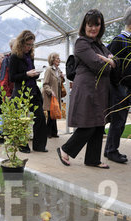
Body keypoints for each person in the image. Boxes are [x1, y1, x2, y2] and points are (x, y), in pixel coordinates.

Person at [57, 9, 116, 168]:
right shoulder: (81, 43)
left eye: (96, 25)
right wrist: (109, 63)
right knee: (88, 125)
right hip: (87, 90)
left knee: (98, 124)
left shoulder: (100, 45)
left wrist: (110, 61)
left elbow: (113, 60)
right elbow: (98, 66)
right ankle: (65, 149)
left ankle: (92, 159)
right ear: (85, 25)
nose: (93, 28)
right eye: (90, 24)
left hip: (99, 91)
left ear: (100, 26)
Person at [9, 30, 48, 153]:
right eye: (27, 44)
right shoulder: (14, 57)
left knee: (40, 118)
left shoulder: (30, 56)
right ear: (21, 43)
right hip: (21, 93)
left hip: (33, 92)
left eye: (31, 44)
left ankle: (39, 145)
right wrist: (26, 74)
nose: (29, 47)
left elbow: (31, 74)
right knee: (22, 120)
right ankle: (22, 146)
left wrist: (35, 73)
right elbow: (12, 77)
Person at [104, 7, 131, 163]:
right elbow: (109, 62)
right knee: (118, 120)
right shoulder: (120, 40)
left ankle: (110, 149)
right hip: (119, 88)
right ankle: (111, 150)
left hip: (126, 87)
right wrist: (117, 84)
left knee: (120, 121)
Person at [42, 52, 64, 138]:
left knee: (54, 113)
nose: (59, 60)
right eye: (57, 58)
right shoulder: (49, 69)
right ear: (52, 60)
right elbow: (45, 84)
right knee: (51, 114)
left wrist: (62, 77)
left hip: (56, 96)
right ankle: (48, 133)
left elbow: (59, 83)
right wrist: (50, 92)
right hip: (50, 95)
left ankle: (54, 132)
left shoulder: (58, 70)